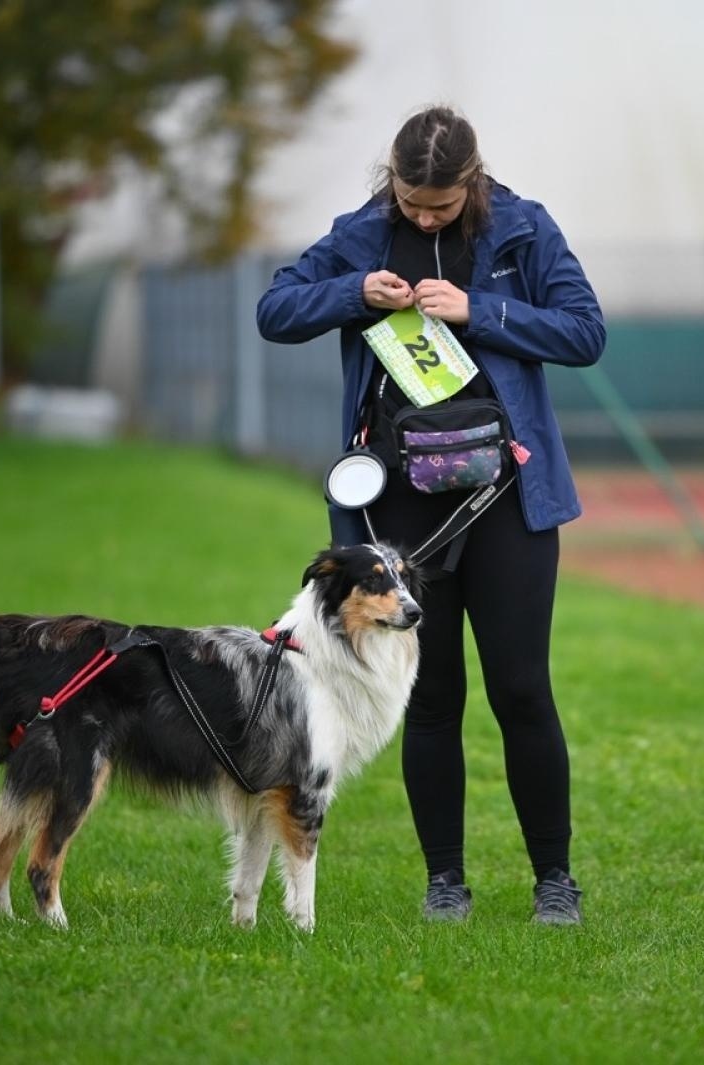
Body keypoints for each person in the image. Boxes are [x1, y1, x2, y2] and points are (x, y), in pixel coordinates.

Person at [256, 105, 604, 925]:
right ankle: (444, 883)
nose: (423, 217)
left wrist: (480, 311)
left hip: (506, 499)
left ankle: (554, 880)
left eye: (440, 207)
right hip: (397, 514)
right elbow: (276, 310)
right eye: (412, 202)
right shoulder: (361, 233)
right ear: (394, 182)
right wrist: (353, 292)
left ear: (472, 184)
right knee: (433, 694)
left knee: (522, 690)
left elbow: (585, 330)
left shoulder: (524, 229)